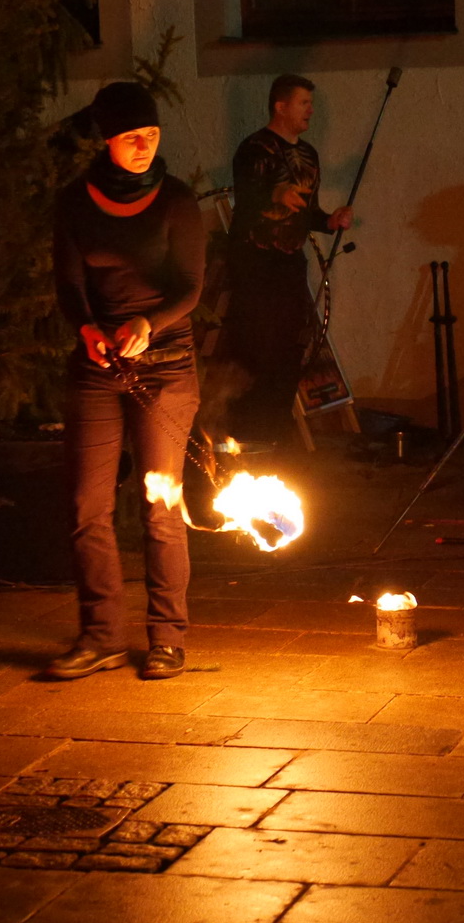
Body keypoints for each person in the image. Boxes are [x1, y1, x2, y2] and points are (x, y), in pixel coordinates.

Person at [46, 82, 204, 682]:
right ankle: (101, 635)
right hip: (97, 367)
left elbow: (190, 287)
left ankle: (166, 636)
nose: (143, 146)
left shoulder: (177, 202)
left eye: (152, 135)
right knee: (89, 505)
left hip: (163, 368)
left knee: (159, 503)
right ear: (106, 139)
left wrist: (147, 322)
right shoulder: (75, 203)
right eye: (131, 136)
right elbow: (68, 285)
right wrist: (87, 328)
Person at [223, 74, 354, 444]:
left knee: (288, 348)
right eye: (303, 103)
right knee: (256, 347)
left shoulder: (308, 156)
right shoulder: (253, 150)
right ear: (280, 106)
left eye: (311, 104)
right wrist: (274, 197)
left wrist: (329, 221)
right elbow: (247, 205)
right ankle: (247, 433)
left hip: (290, 263)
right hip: (255, 263)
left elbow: (306, 211)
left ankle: (276, 431)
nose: (311, 110)